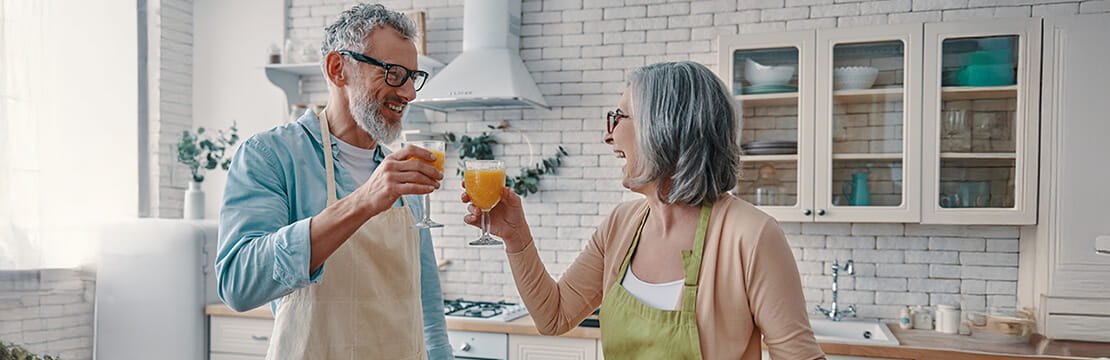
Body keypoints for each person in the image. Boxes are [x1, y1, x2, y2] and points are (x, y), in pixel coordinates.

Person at [462, 61, 826, 359]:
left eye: (619, 117)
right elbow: (553, 317)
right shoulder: (621, 225)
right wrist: (516, 236)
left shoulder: (750, 234)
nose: (608, 135)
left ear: (663, 128)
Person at [216, 4, 453, 359]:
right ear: (337, 69)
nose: (409, 93)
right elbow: (238, 284)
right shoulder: (270, 155)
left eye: (412, 77)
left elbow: (426, 302)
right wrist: (363, 201)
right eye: (393, 73)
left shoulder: (402, 173)